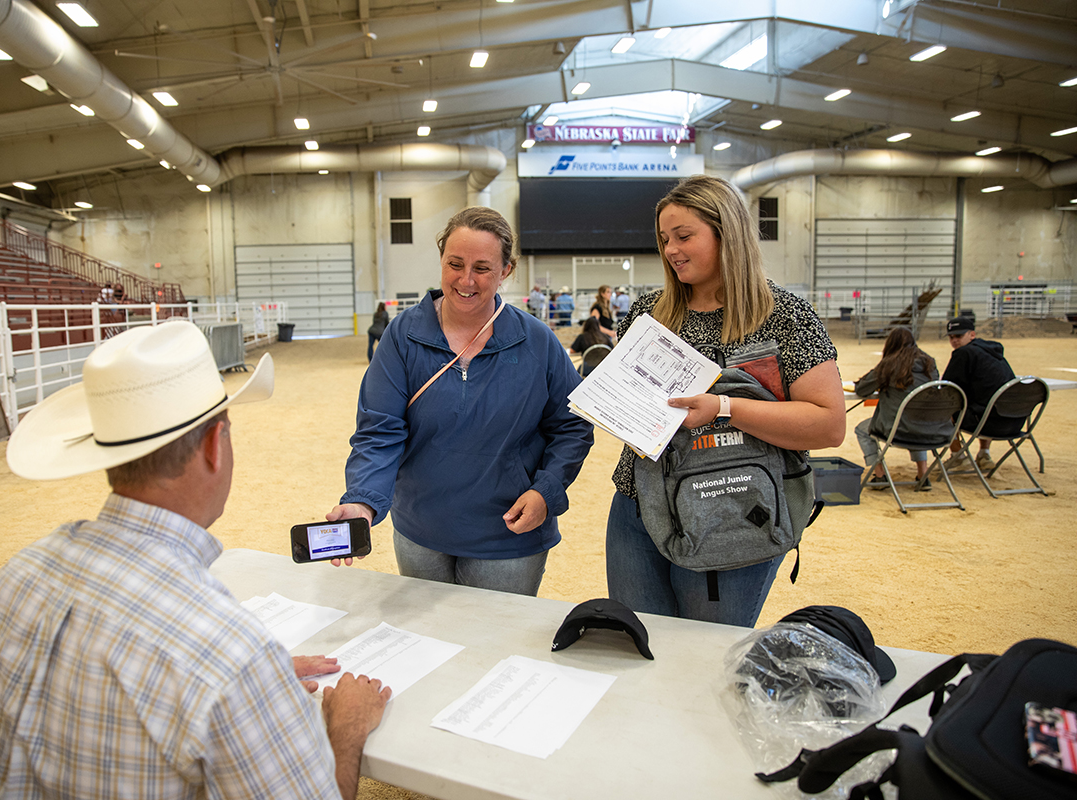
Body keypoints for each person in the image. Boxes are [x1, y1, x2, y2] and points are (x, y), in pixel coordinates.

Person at [0, 321, 391, 800]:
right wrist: (344, 727)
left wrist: (252, 684)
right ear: (212, 446)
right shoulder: (229, 653)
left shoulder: (18, 577)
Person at [606, 175, 845, 627]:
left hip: (736, 505)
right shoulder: (648, 313)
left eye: (684, 236)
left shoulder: (784, 316)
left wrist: (723, 408)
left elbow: (828, 425)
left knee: (706, 653)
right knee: (639, 645)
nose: (671, 249)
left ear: (727, 233)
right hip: (639, 502)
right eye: (664, 239)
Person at [327, 207, 594, 596]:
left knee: (496, 647)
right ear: (441, 260)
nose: (465, 280)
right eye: (455, 263)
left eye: (482, 268)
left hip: (508, 538)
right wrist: (362, 503)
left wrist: (546, 491)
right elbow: (379, 429)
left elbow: (572, 424)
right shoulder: (403, 336)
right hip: (420, 532)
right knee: (431, 647)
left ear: (506, 270)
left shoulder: (537, 341)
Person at [854, 327, 951, 491]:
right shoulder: (930, 363)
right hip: (929, 428)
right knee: (914, 420)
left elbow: (862, 389)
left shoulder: (890, 364)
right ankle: (923, 474)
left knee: (862, 430)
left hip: (899, 429)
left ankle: (879, 475)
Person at [940, 315, 1022, 473]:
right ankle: (984, 454)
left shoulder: (964, 354)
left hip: (988, 424)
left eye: (958, 336)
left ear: (972, 334)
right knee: (987, 401)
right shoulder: (993, 352)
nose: (954, 341)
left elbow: (947, 388)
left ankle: (958, 456)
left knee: (944, 408)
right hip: (1015, 422)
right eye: (951, 337)